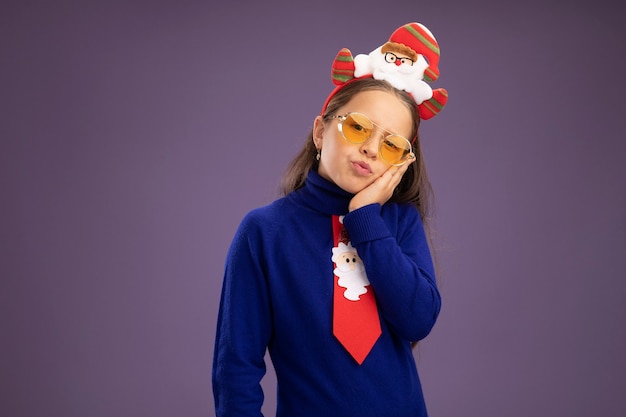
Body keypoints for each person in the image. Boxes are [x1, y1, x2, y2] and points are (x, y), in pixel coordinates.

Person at [212, 21, 448, 417]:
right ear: (321, 132)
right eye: (358, 127)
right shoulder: (265, 233)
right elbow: (236, 367)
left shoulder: (400, 224)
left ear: (403, 162)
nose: (372, 149)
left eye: (391, 144)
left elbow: (418, 320)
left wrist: (366, 219)